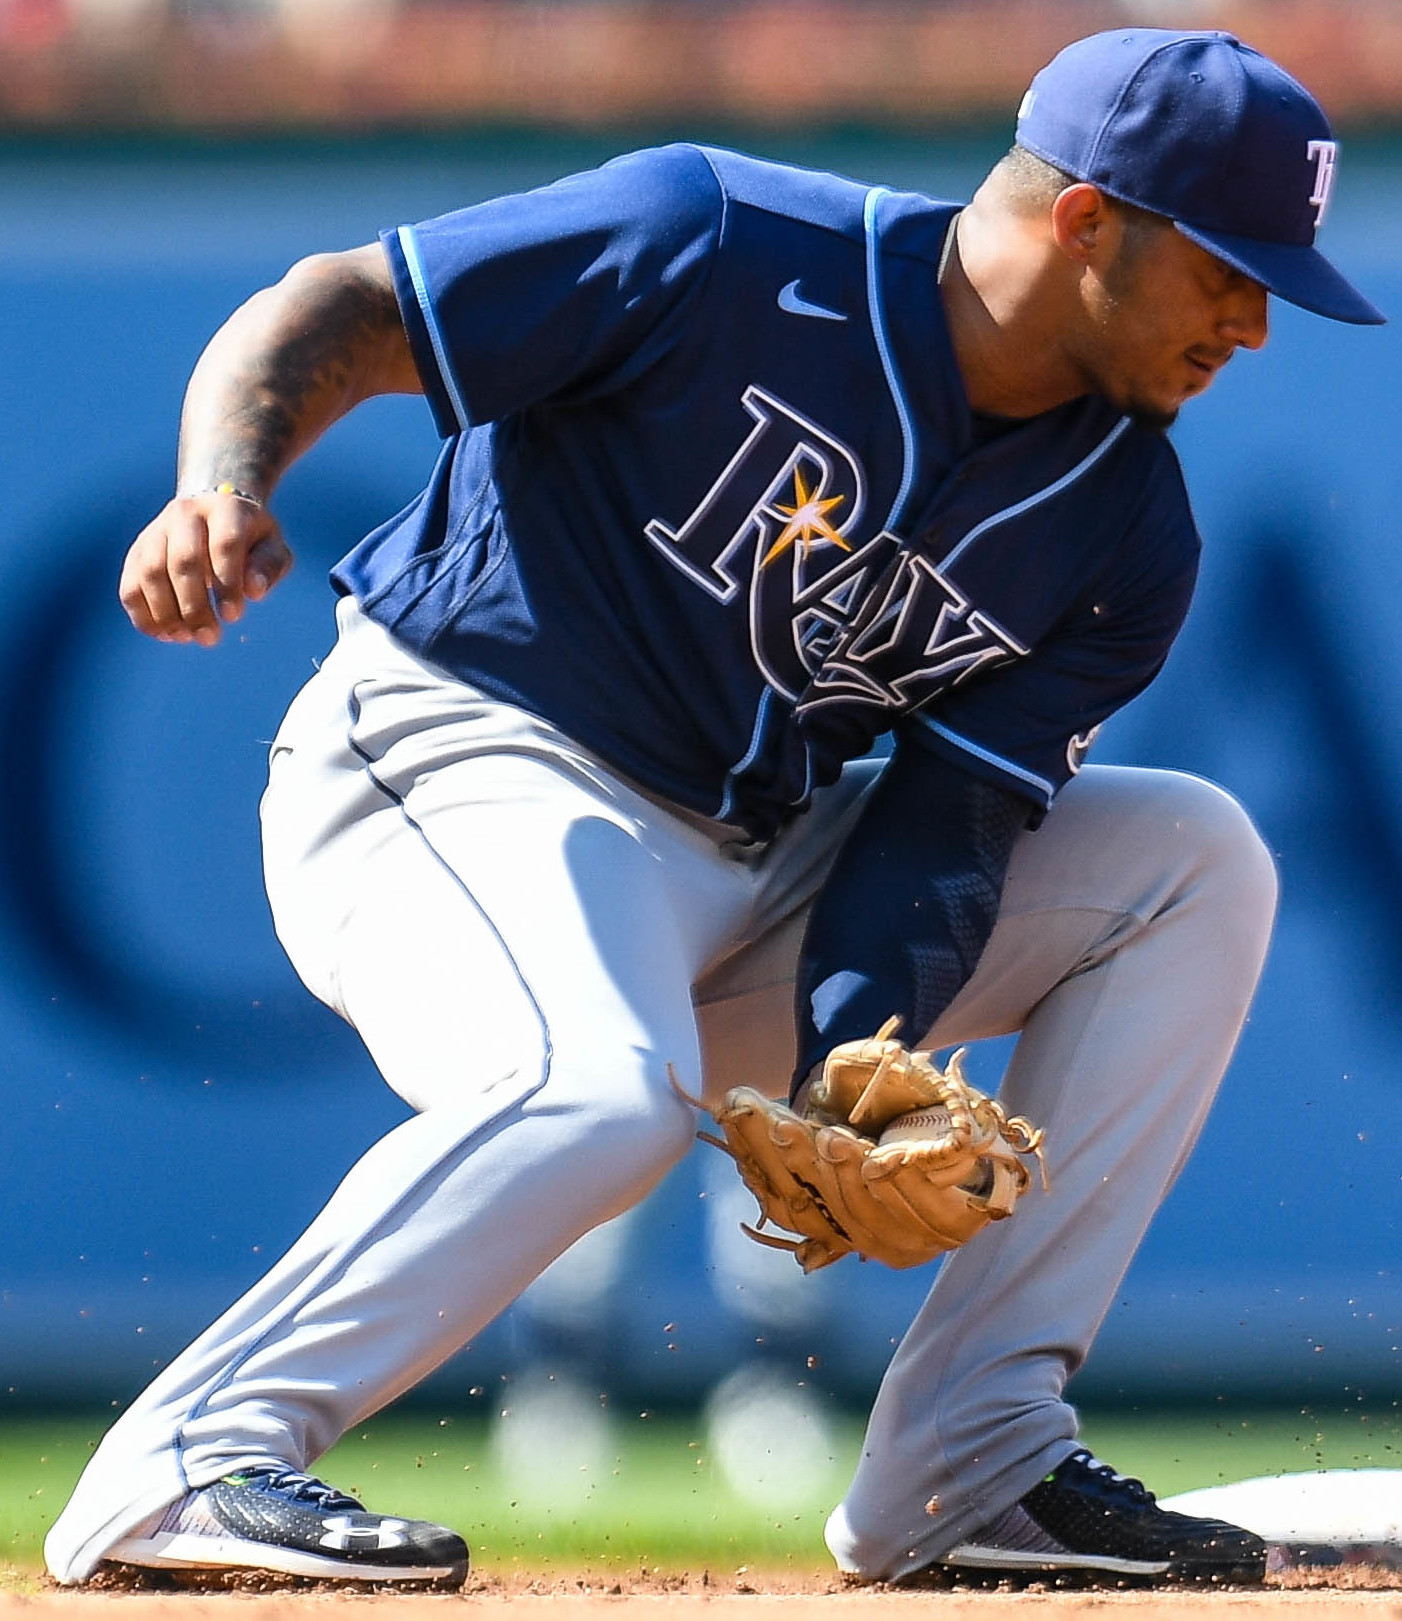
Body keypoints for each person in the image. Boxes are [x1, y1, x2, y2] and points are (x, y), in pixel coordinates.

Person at [46, 27, 1382, 1591]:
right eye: (1228, 266)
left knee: (1192, 858)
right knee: (595, 1091)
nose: (1254, 321)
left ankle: (968, 1461)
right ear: (1086, 220)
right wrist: (227, 476)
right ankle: (184, 1459)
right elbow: (346, 304)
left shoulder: (1121, 527)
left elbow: (944, 820)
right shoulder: (717, 238)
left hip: (735, 860)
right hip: (456, 755)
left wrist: (847, 1060)